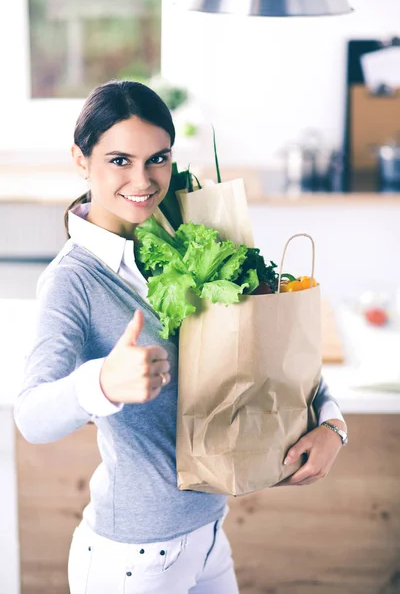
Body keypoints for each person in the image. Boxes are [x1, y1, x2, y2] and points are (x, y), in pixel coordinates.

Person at [14, 80, 348, 594]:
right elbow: (31, 415)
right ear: (81, 160)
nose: (144, 181)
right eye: (119, 160)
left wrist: (332, 424)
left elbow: (266, 347)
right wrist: (101, 382)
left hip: (209, 537)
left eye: (158, 159)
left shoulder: (190, 232)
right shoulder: (73, 280)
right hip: (133, 560)